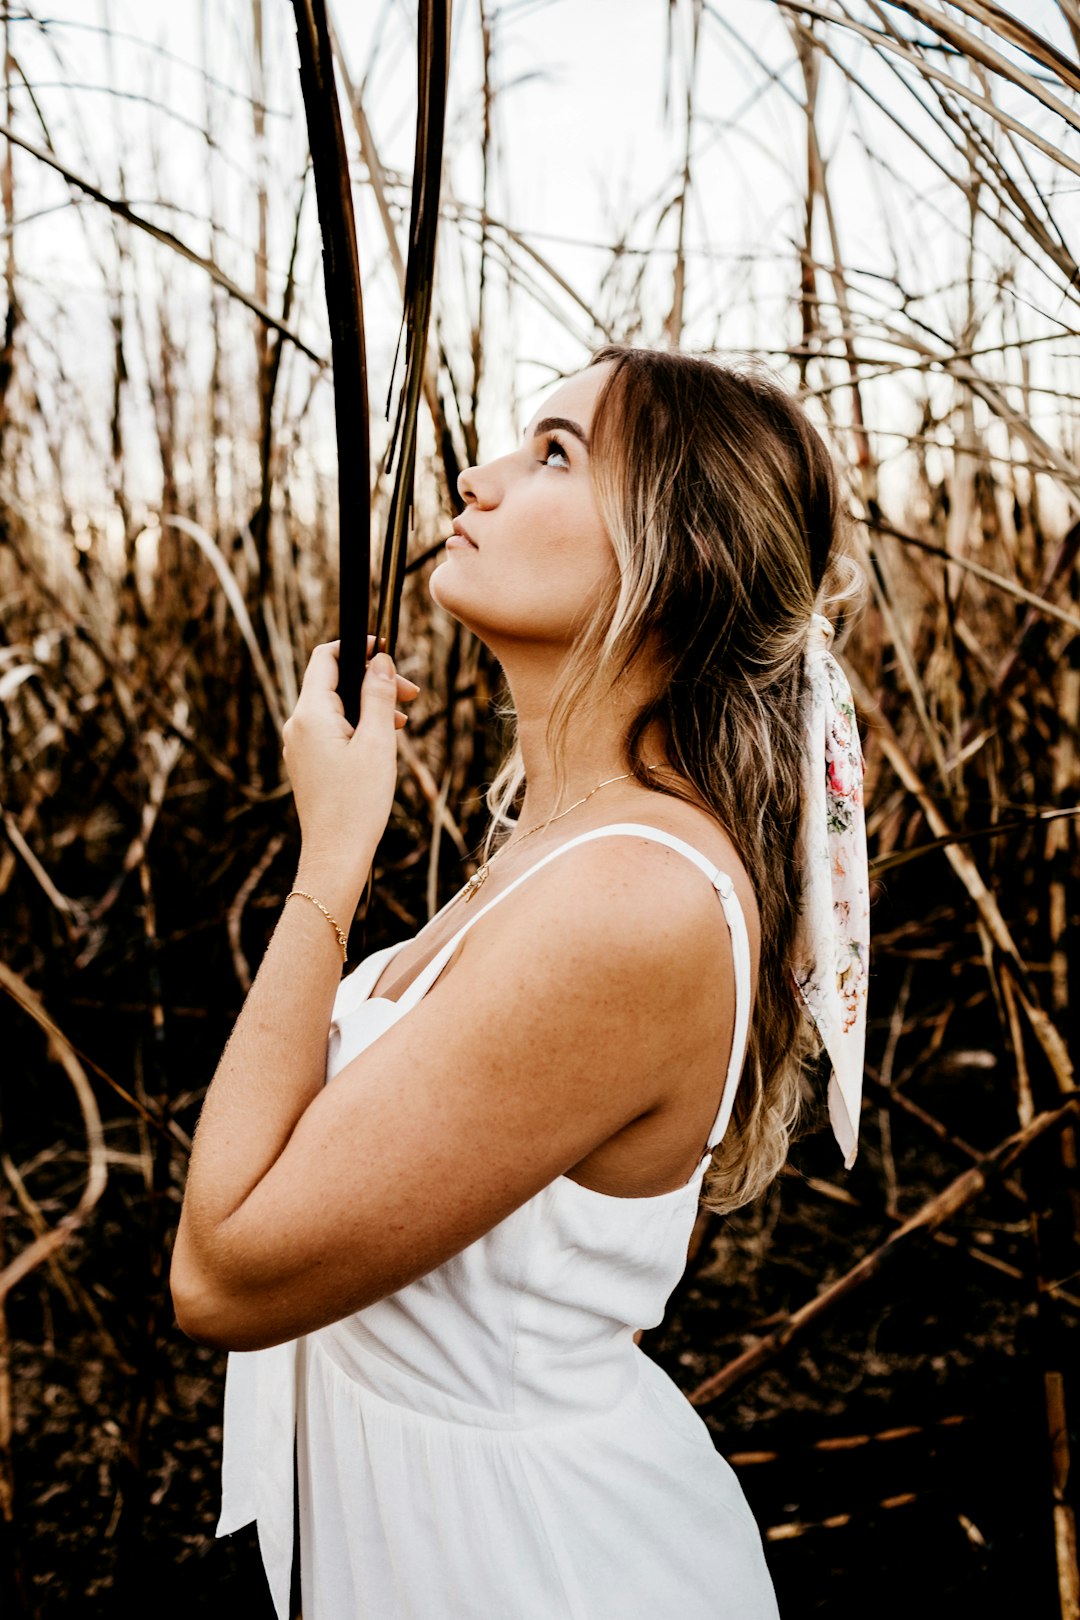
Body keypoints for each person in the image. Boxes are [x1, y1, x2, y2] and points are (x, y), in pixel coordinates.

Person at [170, 345, 870, 1620]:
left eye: (555, 452)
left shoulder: (633, 901)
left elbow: (223, 1276)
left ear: (680, 558)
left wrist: (331, 858)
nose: (477, 480)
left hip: (523, 1565)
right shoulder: (565, 844)